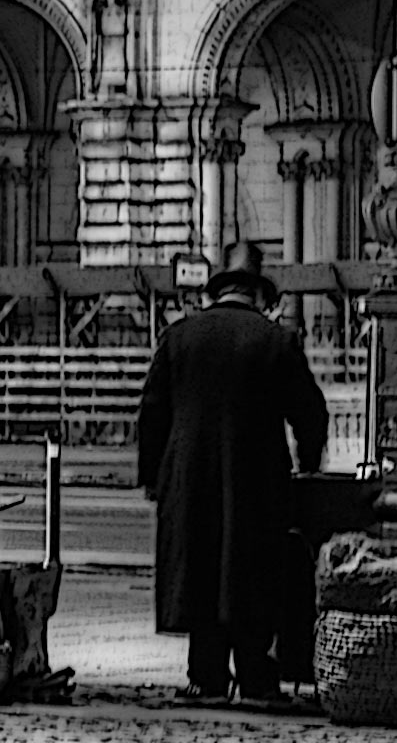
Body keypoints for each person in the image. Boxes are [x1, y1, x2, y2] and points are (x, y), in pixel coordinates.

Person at [137, 241, 328, 710]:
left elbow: (152, 412)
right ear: (258, 294)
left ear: (217, 290)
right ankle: (257, 677)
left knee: (201, 570)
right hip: (256, 480)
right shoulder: (276, 341)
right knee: (250, 573)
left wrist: (153, 477)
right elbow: (311, 413)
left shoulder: (178, 337)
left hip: (189, 480)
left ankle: (206, 678)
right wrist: (307, 464)